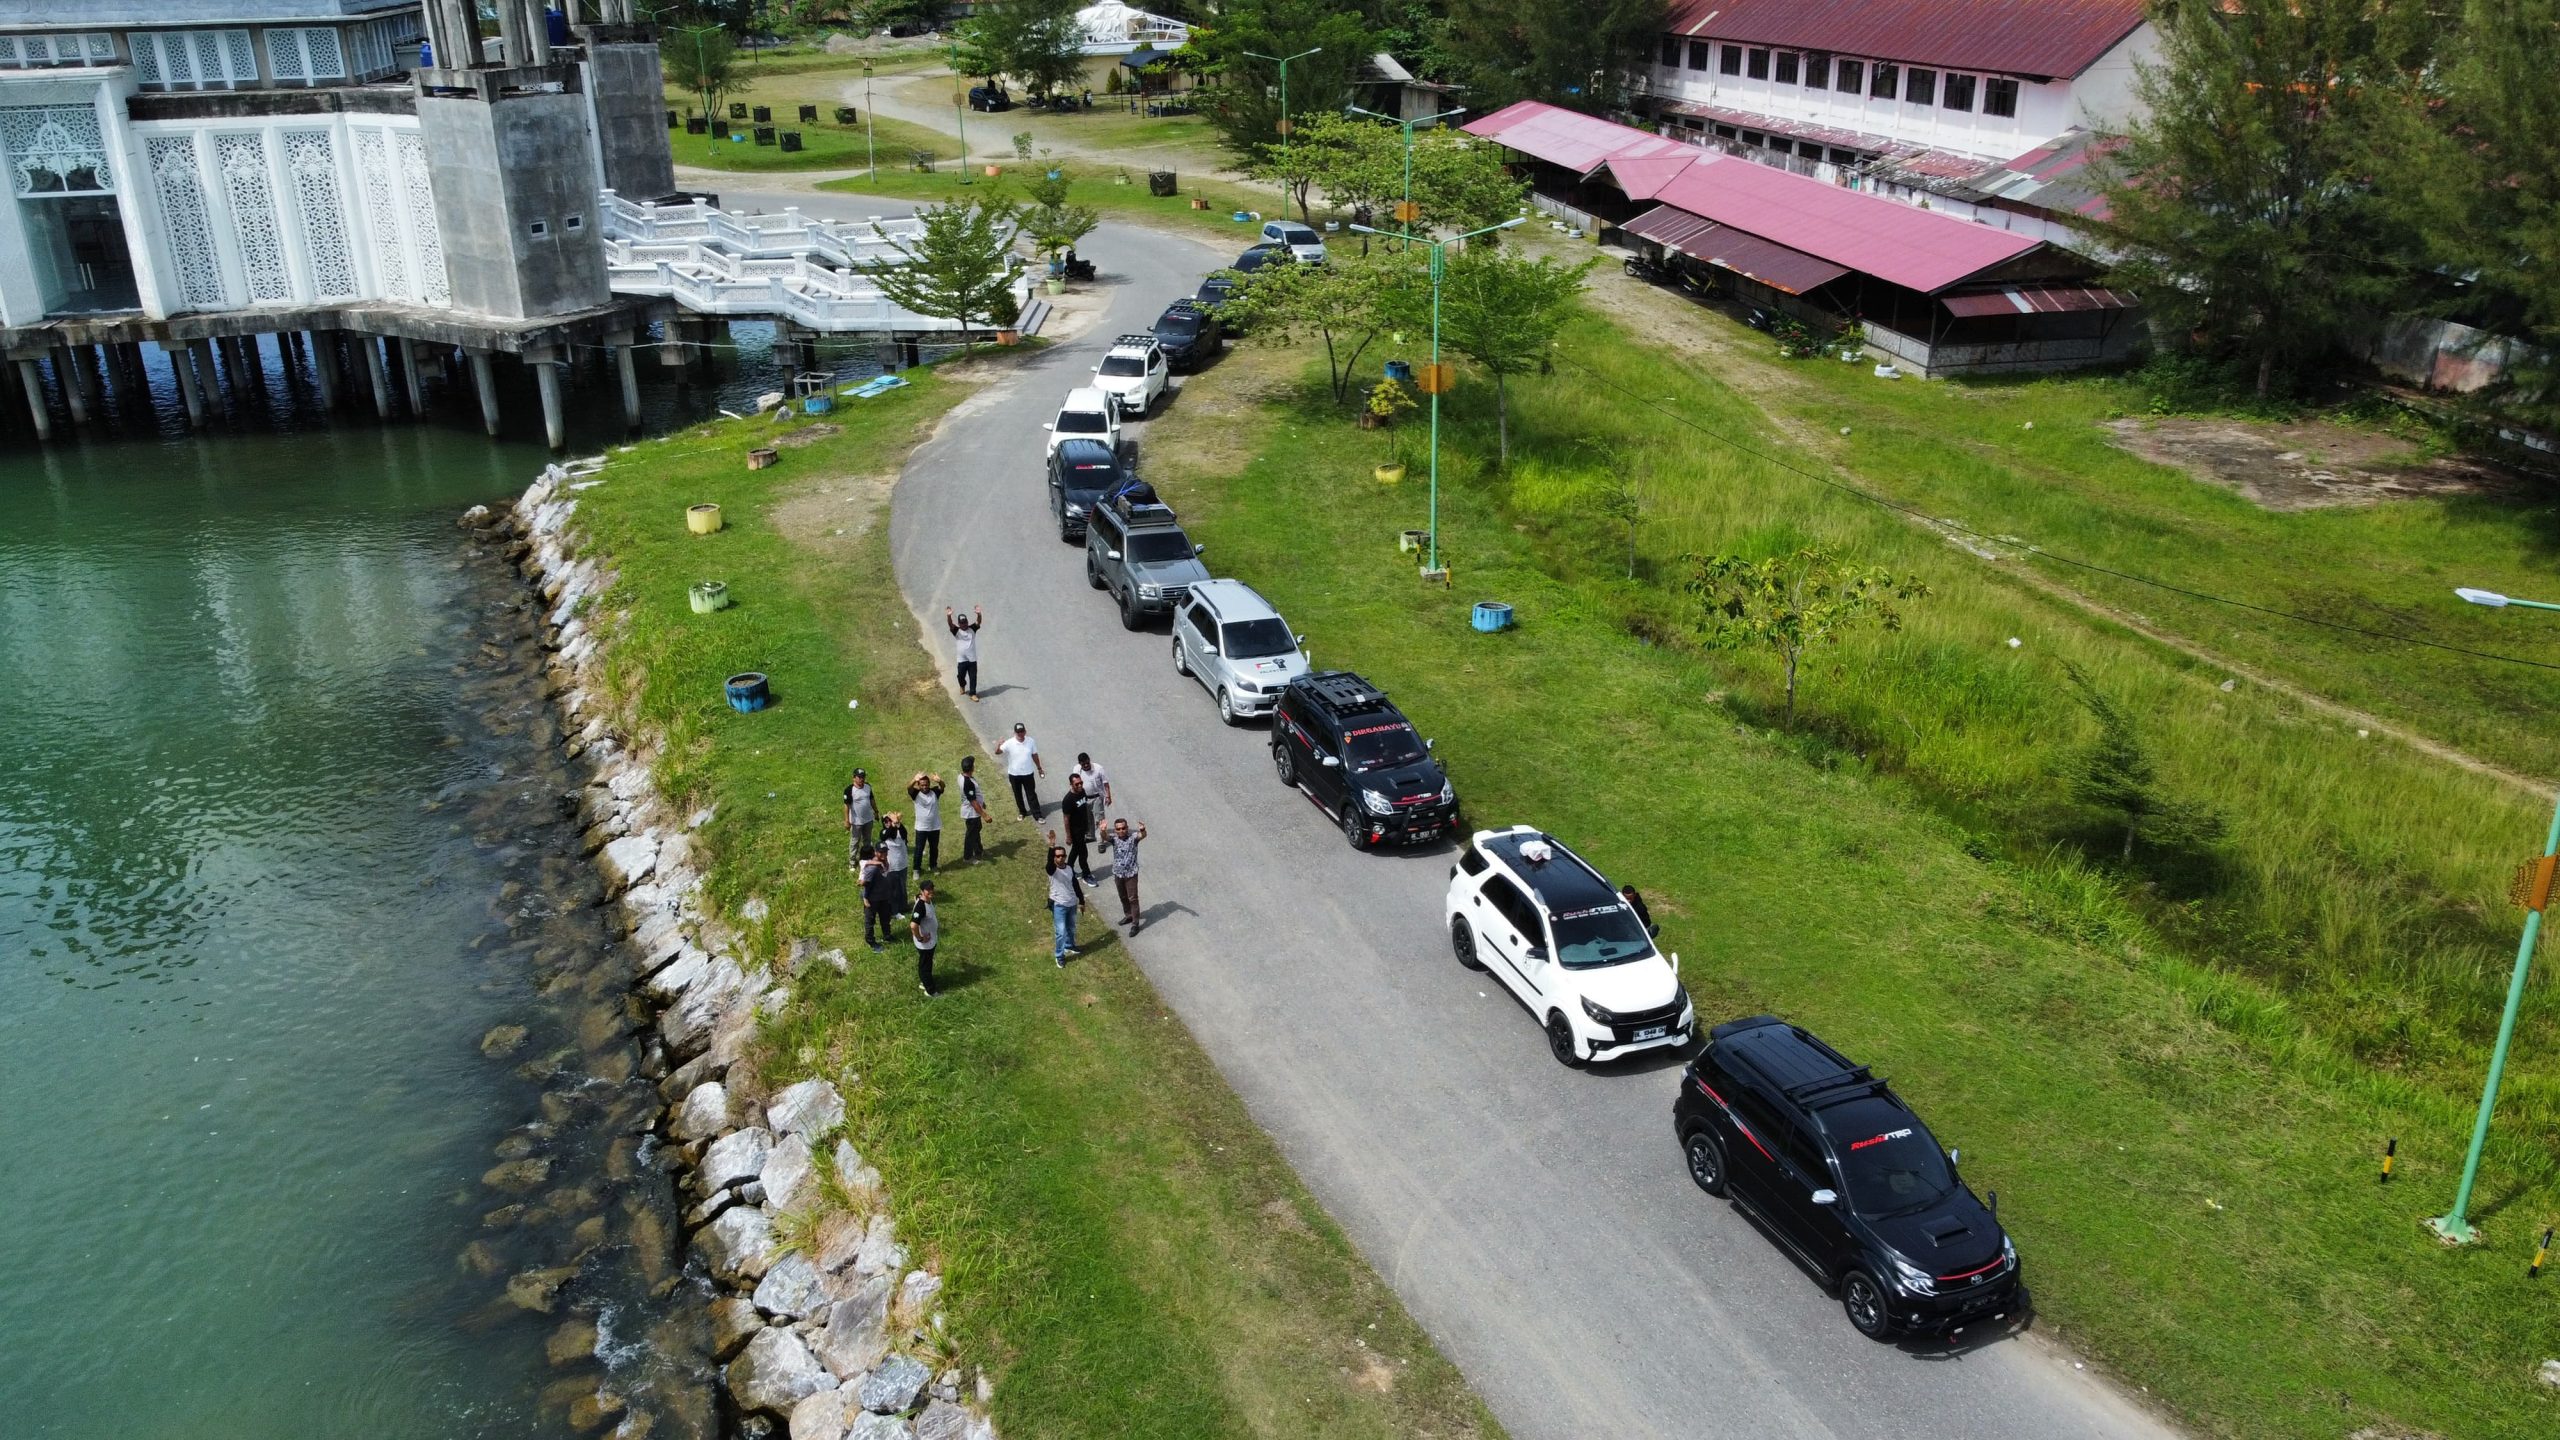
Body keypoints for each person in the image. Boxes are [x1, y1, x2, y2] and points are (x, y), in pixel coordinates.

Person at [1045, 844, 1084, 965]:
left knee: (1071, 928)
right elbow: (1049, 864)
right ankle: (1059, 955)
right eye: (1058, 856)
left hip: (1072, 903)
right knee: (1061, 932)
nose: (1061, 858)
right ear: (1054, 858)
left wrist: (1081, 901)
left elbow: (1075, 885)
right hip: (1059, 905)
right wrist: (1051, 847)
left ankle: (1069, 945)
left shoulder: (1069, 868)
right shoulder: (1052, 870)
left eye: (1063, 855)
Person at [1107, 816, 1148, 930]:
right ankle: (1128, 915)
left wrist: (1143, 830)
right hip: (1118, 873)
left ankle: (1135, 923)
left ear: (1127, 828)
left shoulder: (1133, 838)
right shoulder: (1114, 839)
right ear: (1115, 830)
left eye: (1123, 828)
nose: (1121, 831)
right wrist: (1102, 830)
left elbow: (1142, 835)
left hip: (1131, 874)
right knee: (1123, 896)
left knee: (1133, 898)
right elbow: (1105, 837)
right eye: (1118, 829)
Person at [1058, 773, 1100, 882]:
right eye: (1077, 784)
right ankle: (1086, 875)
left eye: (1081, 783)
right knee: (1083, 853)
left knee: (1075, 850)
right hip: (1075, 831)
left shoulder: (1082, 792)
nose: (1080, 785)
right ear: (1071, 784)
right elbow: (1066, 819)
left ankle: (1067, 870)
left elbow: (1084, 809)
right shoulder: (1068, 800)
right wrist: (1068, 836)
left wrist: (1087, 826)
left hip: (1083, 828)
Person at [998, 722, 1043, 819]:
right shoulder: (1009, 743)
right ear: (1015, 733)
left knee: (1031, 795)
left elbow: (1034, 755)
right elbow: (997, 752)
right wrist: (999, 744)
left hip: (1028, 773)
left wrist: (1039, 768)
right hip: (1014, 774)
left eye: (1022, 731)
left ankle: (1037, 815)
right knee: (1018, 794)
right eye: (1018, 732)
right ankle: (1022, 812)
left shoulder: (1031, 741)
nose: (1020, 734)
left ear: (1025, 731)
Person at [860, 845, 898, 951]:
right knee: (870, 921)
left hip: (884, 897)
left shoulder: (884, 863)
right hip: (872, 900)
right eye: (881, 852)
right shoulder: (872, 868)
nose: (884, 854)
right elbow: (865, 884)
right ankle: (871, 942)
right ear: (876, 852)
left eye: (885, 852)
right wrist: (865, 898)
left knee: (885, 918)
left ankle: (887, 935)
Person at [945, 605, 983, 701]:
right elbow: (950, 624)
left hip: (972, 659)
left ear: (967, 622)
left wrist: (979, 614)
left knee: (973, 677)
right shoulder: (956, 631)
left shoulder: (972, 629)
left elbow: (979, 621)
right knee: (960, 676)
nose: (964, 624)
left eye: (965, 622)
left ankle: (973, 694)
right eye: (962, 623)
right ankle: (962, 685)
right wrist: (949, 616)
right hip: (961, 660)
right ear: (959, 623)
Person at [908, 772, 944, 873]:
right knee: (919, 849)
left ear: (929, 784)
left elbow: (942, 787)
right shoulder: (915, 794)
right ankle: (916, 869)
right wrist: (914, 779)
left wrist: (940, 781)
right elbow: (908, 788)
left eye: (926, 784)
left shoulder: (935, 792)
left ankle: (933, 866)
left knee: (934, 848)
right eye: (922, 785)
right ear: (918, 785)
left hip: (935, 826)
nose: (925, 787)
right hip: (921, 828)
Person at [911, 881, 940, 997]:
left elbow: (916, 897)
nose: (931, 891)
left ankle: (925, 981)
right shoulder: (921, 906)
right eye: (928, 890)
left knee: (927, 964)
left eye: (932, 888)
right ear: (922, 892)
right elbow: (913, 925)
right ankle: (930, 991)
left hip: (930, 941)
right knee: (925, 967)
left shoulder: (924, 899)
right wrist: (920, 938)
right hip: (925, 944)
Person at [956, 756, 988, 863]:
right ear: (971, 768)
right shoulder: (968, 783)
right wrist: (984, 815)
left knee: (976, 831)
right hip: (971, 813)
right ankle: (968, 857)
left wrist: (982, 802)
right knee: (971, 835)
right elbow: (973, 801)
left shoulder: (961, 776)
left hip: (973, 811)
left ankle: (979, 851)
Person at [879, 810, 910, 911]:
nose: (888, 822)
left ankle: (904, 907)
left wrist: (898, 823)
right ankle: (894, 909)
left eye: (889, 820)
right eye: (886, 821)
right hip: (891, 867)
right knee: (893, 889)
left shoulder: (899, 831)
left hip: (903, 864)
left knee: (902, 888)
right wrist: (893, 824)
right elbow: (886, 835)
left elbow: (905, 834)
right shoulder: (884, 832)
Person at [843, 768, 877, 861]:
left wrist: (876, 812)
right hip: (856, 821)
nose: (862, 779)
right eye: (859, 777)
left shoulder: (868, 787)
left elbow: (872, 800)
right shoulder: (849, 790)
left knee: (867, 840)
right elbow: (846, 806)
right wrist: (847, 821)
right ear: (854, 778)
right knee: (855, 841)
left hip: (868, 819)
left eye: (863, 777)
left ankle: (866, 858)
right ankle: (852, 860)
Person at [1072, 752, 1112, 823]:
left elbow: (1105, 783)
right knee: (1087, 820)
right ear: (1079, 764)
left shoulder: (1098, 768)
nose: (1086, 765)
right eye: (1083, 764)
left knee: (1099, 820)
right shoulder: (1076, 769)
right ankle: (1090, 834)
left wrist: (1108, 796)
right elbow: (1074, 784)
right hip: (1084, 798)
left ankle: (1100, 834)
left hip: (1097, 798)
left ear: (1089, 760)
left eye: (1087, 763)